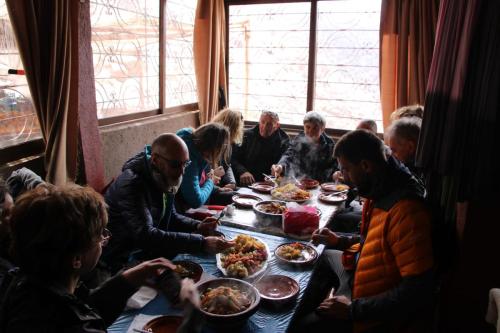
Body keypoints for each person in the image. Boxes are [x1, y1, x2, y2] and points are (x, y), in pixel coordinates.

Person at [288, 130, 434, 333]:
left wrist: (352, 310)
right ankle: (313, 305)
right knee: (320, 255)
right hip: (359, 270)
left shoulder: (406, 209)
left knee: (301, 328)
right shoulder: (381, 186)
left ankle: (319, 315)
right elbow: (376, 241)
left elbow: (418, 289)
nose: (344, 177)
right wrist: (339, 241)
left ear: (365, 165)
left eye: (346, 169)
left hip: (370, 311)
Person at [0, 184, 179, 332]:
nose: (104, 240)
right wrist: (191, 321)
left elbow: (82, 309)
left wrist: (129, 279)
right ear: (77, 259)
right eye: (101, 234)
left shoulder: (20, 282)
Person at [101, 133, 233, 275]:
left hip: (145, 251)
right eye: (176, 165)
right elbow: (147, 236)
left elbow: (171, 215)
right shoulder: (132, 184)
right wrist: (202, 243)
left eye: (186, 164)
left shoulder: (160, 176)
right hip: (120, 260)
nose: (182, 171)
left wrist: (197, 225)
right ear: (156, 160)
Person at [176, 123, 231, 210]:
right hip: (184, 207)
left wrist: (215, 188)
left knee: (233, 196)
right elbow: (196, 201)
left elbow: (200, 183)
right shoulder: (189, 159)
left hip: (195, 200)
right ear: (212, 147)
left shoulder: (199, 150)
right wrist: (211, 182)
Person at [272, 111, 336, 183]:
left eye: (315, 128)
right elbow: (289, 155)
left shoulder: (329, 144)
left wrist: (335, 174)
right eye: (308, 127)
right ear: (304, 127)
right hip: (298, 183)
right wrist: (281, 165)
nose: (311, 131)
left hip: (320, 185)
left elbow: (334, 167)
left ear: (322, 129)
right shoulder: (299, 139)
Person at [231, 110, 289, 186]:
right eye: (262, 122)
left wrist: (280, 166)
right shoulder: (247, 135)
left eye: (269, 124)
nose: (264, 127)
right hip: (247, 181)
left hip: (271, 182)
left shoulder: (283, 139)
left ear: (277, 126)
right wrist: (242, 171)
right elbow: (232, 158)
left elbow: (287, 157)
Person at [208, 108, 244, 204]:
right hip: (209, 190)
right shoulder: (209, 143)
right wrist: (218, 189)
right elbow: (203, 179)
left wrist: (232, 182)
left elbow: (227, 165)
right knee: (237, 198)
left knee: (245, 192)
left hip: (219, 185)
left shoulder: (227, 143)